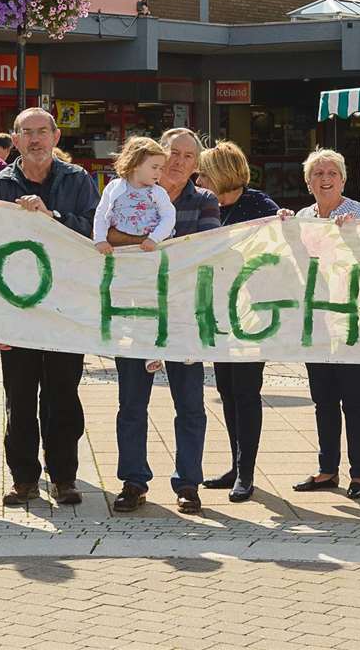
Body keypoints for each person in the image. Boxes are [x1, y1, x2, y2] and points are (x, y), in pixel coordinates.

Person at [0, 107, 100, 507]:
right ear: (14, 140)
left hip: (67, 307)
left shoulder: (79, 179)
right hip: (18, 311)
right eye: (26, 133)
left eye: (41, 132)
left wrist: (52, 218)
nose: (35, 139)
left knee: (63, 396)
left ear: (55, 136)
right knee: (19, 398)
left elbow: (92, 231)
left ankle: (64, 477)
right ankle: (23, 479)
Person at [111, 127, 215, 516]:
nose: (179, 162)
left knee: (190, 403)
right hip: (134, 315)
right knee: (132, 404)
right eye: (173, 153)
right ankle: (133, 481)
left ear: (196, 166)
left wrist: (141, 245)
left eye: (189, 157)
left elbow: (205, 249)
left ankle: (188, 483)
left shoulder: (204, 201)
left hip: (184, 317)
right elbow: (106, 235)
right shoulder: (125, 193)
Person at [280, 148, 360, 500]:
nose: (325, 178)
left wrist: (351, 234)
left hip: (350, 318)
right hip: (316, 318)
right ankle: (327, 468)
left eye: (331, 172)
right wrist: (288, 230)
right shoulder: (303, 216)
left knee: (354, 397)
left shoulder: (359, 211)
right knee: (323, 398)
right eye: (317, 173)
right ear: (308, 183)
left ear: (344, 179)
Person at [199, 141, 278, 503]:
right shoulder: (208, 205)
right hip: (218, 313)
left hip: (250, 316)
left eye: (204, 171)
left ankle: (246, 472)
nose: (199, 178)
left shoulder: (259, 206)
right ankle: (235, 464)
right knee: (227, 391)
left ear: (223, 172)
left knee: (246, 393)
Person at [93, 137, 176, 250]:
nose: (158, 173)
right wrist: (100, 240)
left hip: (150, 249)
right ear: (135, 164)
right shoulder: (114, 188)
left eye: (161, 168)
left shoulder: (157, 192)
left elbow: (169, 216)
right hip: (119, 249)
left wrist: (154, 239)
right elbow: (101, 214)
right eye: (154, 167)